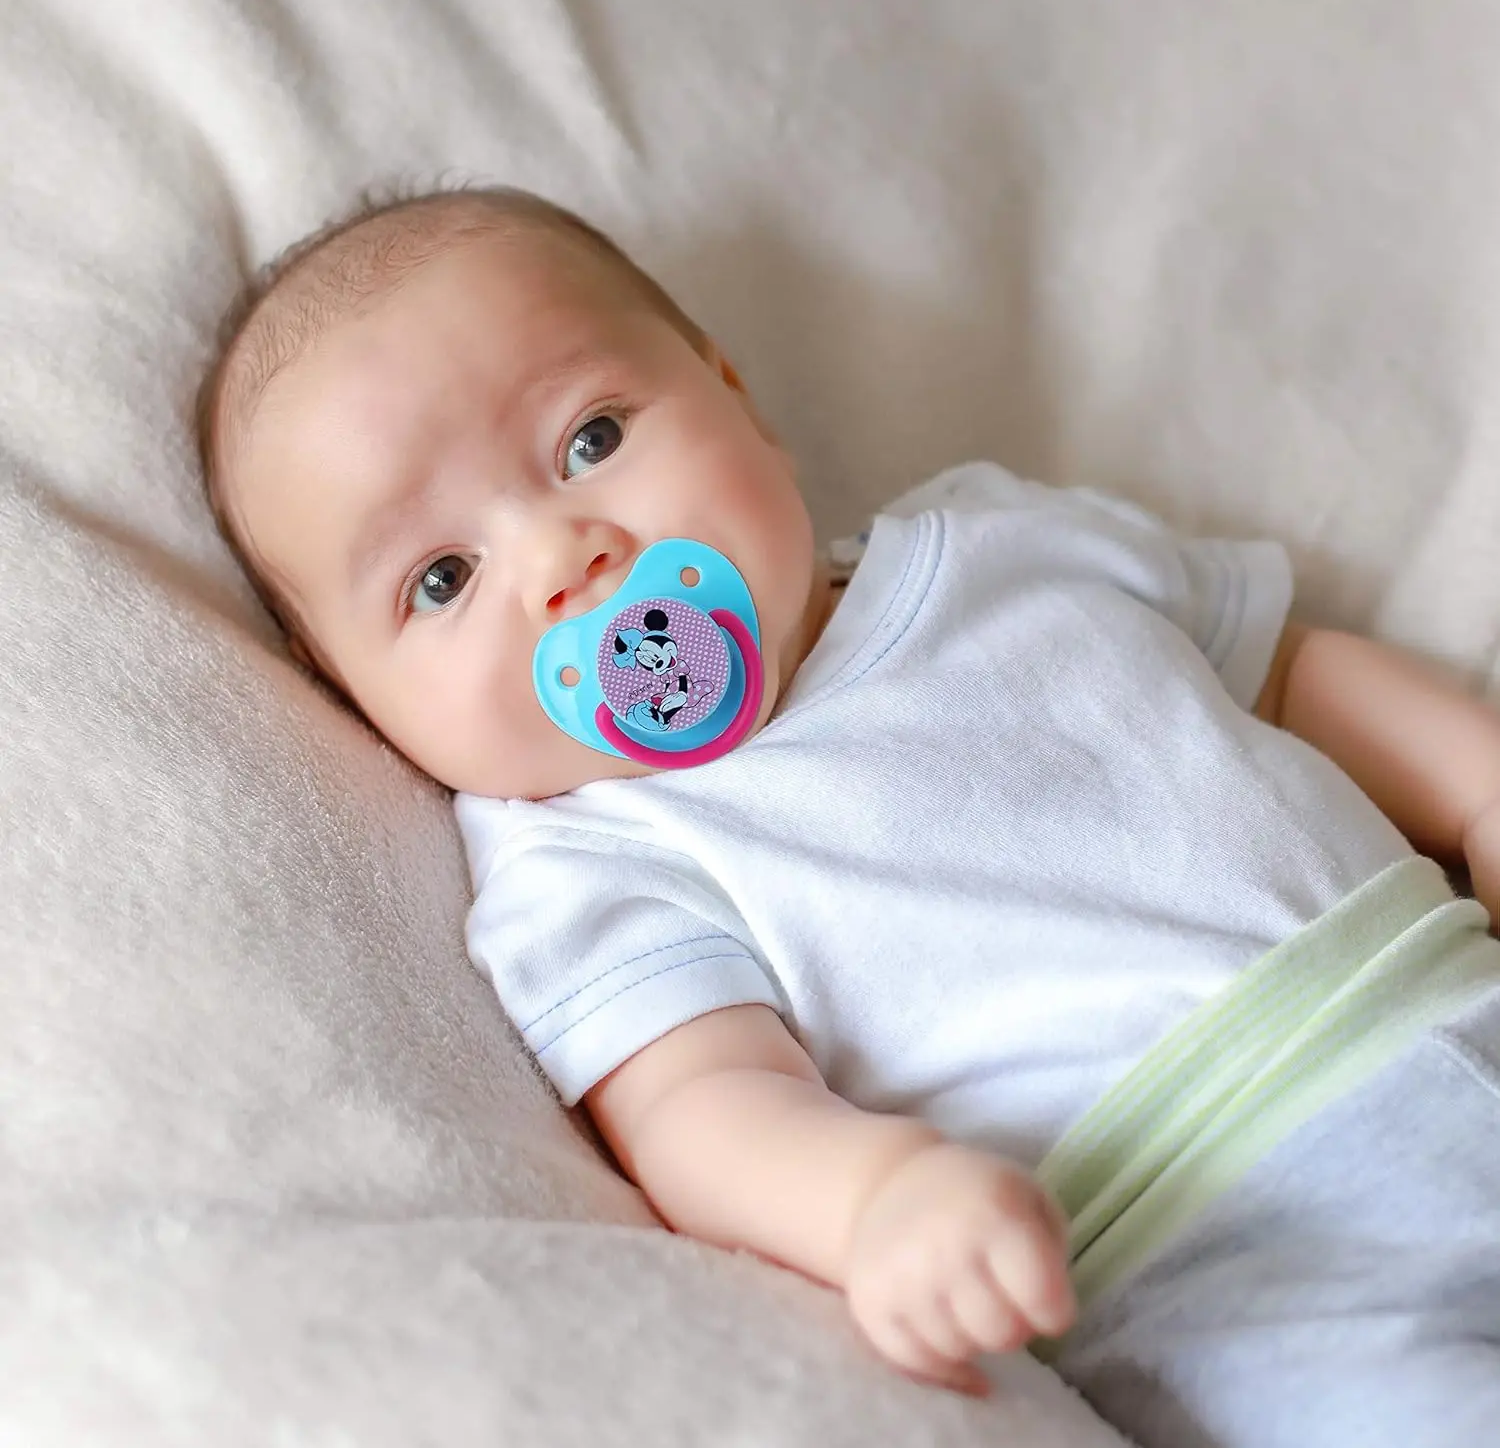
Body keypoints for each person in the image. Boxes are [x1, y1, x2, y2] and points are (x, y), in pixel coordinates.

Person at [197, 185, 1500, 1447]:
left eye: (590, 439)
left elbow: (1290, 672)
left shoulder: (991, 542)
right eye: (441, 578)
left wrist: (1479, 788)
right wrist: (877, 1200)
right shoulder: (589, 857)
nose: (560, 558)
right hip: (1229, 1249)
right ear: (364, 704)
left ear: (736, 396)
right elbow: (700, 1105)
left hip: (1458, 989)